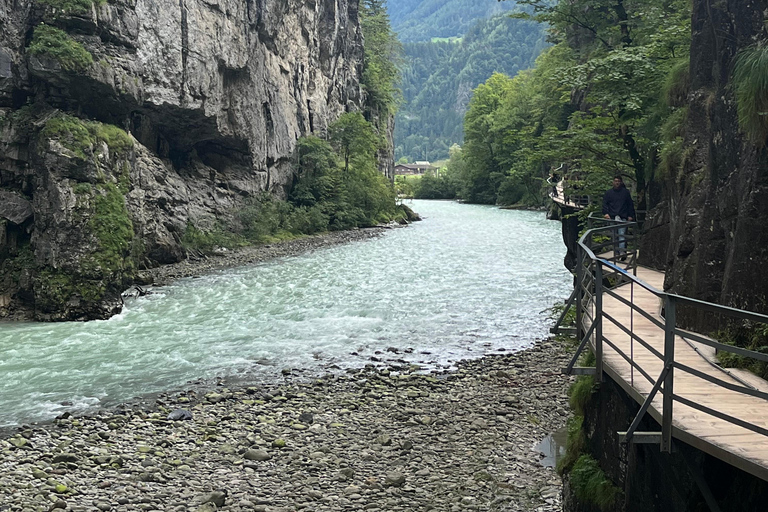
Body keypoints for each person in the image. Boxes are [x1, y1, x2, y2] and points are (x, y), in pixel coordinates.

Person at [602, 176, 636, 260]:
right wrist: (606, 213)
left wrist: (630, 215)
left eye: (618, 181)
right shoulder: (609, 193)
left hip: (623, 216)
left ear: (621, 182)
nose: (617, 183)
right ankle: (616, 252)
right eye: (615, 181)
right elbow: (605, 204)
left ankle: (621, 252)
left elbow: (629, 204)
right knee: (614, 235)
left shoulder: (625, 192)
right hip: (612, 217)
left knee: (621, 235)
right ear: (613, 182)